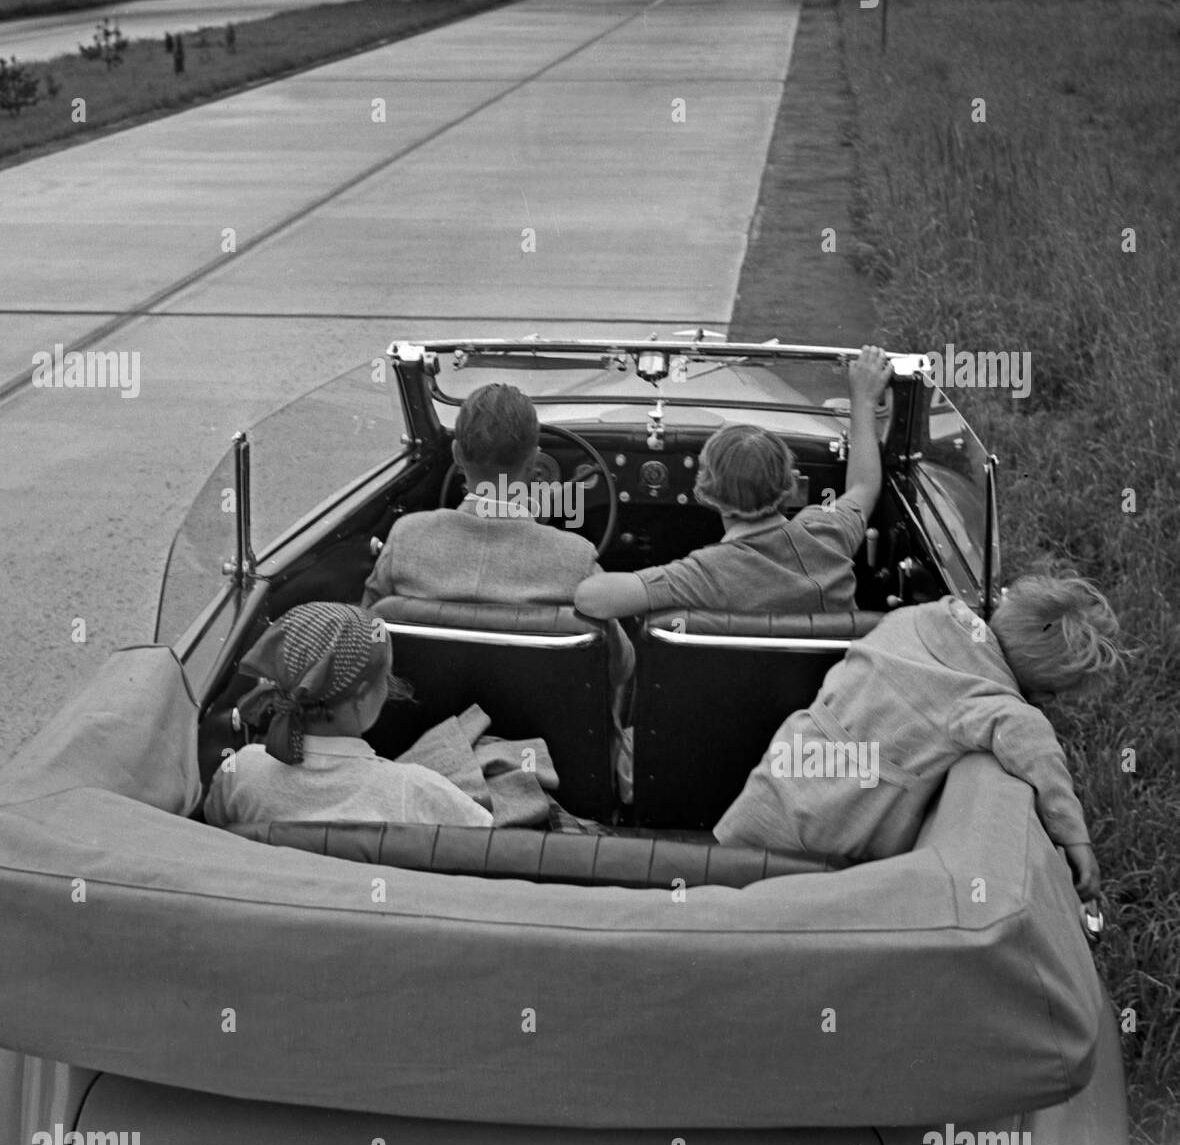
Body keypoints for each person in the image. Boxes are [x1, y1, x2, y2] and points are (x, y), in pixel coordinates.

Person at [713, 573, 1124, 902]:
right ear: (1044, 693)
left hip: (775, 784)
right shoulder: (987, 698)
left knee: (719, 878)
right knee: (768, 908)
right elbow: (1034, 744)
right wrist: (1074, 836)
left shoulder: (917, 618)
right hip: (828, 832)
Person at [361, 382, 636, 790]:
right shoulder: (574, 558)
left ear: (456, 455)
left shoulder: (407, 538)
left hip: (416, 768)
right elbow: (620, 668)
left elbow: (364, 636)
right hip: (558, 778)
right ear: (536, 463)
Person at [574, 346, 894, 621]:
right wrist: (862, 401)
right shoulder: (826, 533)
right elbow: (864, 485)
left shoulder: (705, 574)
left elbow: (591, 597)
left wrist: (557, 544)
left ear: (704, 492)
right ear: (791, 484)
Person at [204, 602, 493, 831]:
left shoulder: (240, 771)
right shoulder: (414, 790)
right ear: (363, 695)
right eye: (386, 677)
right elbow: (485, 843)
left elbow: (215, 828)